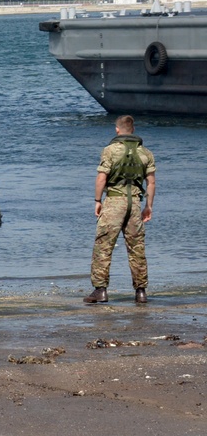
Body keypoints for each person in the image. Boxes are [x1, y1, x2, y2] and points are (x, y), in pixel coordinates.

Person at [85, 115, 156, 304]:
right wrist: (148, 206)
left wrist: (97, 200)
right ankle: (141, 291)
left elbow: (101, 178)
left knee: (103, 246)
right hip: (135, 203)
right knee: (136, 248)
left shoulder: (109, 151)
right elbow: (151, 182)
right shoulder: (146, 153)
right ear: (132, 130)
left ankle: (100, 290)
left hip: (114, 202)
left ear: (117, 130)